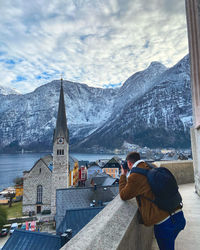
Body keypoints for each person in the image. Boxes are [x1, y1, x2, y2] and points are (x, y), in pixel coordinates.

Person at [119, 151, 186, 250]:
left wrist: (123, 175)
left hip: (165, 224)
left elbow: (123, 195)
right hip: (178, 215)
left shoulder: (136, 176)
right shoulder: (151, 166)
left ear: (129, 163)